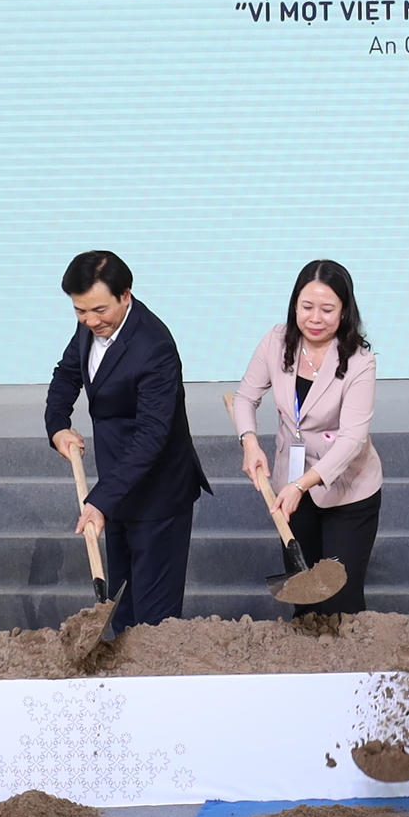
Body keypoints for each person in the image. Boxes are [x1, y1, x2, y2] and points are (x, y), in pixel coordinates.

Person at [43, 251, 209, 629]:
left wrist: (99, 500)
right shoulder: (90, 325)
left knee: (154, 622)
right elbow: (67, 373)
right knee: (121, 609)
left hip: (157, 494)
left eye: (99, 310)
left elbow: (152, 435)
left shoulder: (154, 347)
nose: (90, 321)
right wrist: (57, 426)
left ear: (125, 295)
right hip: (117, 487)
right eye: (80, 311)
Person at [226, 260, 383, 618]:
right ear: (294, 305)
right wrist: (249, 442)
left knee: (340, 601)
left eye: (327, 310)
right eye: (306, 307)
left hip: (346, 488)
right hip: (292, 483)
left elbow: (352, 439)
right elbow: (245, 398)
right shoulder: (276, 341)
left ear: (344, 311)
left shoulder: (360, 361)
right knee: (304, 596)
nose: (315, 318)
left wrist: (302, 485)